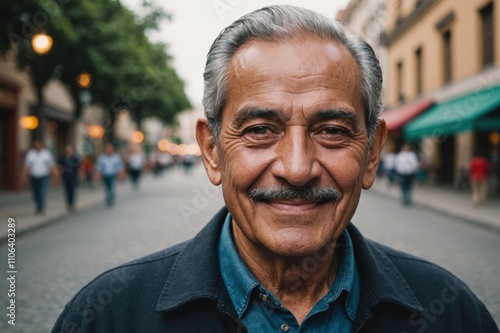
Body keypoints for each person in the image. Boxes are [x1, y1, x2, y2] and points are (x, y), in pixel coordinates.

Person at [53, 6, 498, 333]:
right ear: (211, 151)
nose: (298, 169)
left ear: (372, 153)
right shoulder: (108, 317)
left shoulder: (455, 314)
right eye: (261, 130)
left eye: (332, 131)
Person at [22, 139, 58, 215]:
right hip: (34, 177)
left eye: (38, 144)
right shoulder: (31, 154)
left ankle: (41, 208)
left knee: (42, 192)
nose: (37, 146)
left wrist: (55, 176)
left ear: (41, 145)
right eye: (36, 144)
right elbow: (26, 166)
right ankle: (38, 206)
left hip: (43, 177)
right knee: (35, 193)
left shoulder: (46, 154)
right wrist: (24, 176)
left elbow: (52, 166)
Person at [57, 145, 81, 211]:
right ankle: (68, 203)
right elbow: (59, 167)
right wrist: (58, 176)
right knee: (67, 191)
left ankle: (72, 203)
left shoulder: (75, 158)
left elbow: (79, 167)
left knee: (72, 190)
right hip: (65, 177)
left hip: (73, 177)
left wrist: (80, 174)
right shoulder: (62, 158)